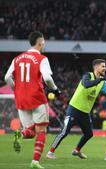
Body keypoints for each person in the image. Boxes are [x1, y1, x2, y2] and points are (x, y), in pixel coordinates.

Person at [5, 31, 60, 169]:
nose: (44, 45)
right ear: (40, 42)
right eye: (44, 42)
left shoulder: (17, 58)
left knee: (30, 132)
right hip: (37, 97)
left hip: (21, 98)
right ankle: (35, 162)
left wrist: (16, 89)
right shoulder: (42, 59)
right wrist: (55, 89)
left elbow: (7, 77)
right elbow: (47, 78)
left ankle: (19, 134)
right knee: (41, 130)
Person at [46, 59, 106, 159]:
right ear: (96, 67)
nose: (105, 68)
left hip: (85, 113)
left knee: (89, 134)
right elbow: (86, 84)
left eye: (105, 66)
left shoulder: (102, 82)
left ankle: (76, 150)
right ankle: (50, 152)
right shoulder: (88, 76)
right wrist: (98, 80)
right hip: (74, 109)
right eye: (103, 66)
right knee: (64, 132)